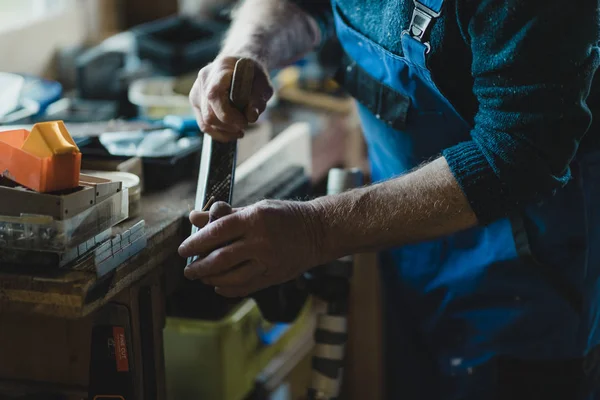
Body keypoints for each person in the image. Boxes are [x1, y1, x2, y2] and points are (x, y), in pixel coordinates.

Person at [178, 0, 600, 398]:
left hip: (529, 275)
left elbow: (518, 153)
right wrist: (246, 50)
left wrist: (316, 230)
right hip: (407, 242)